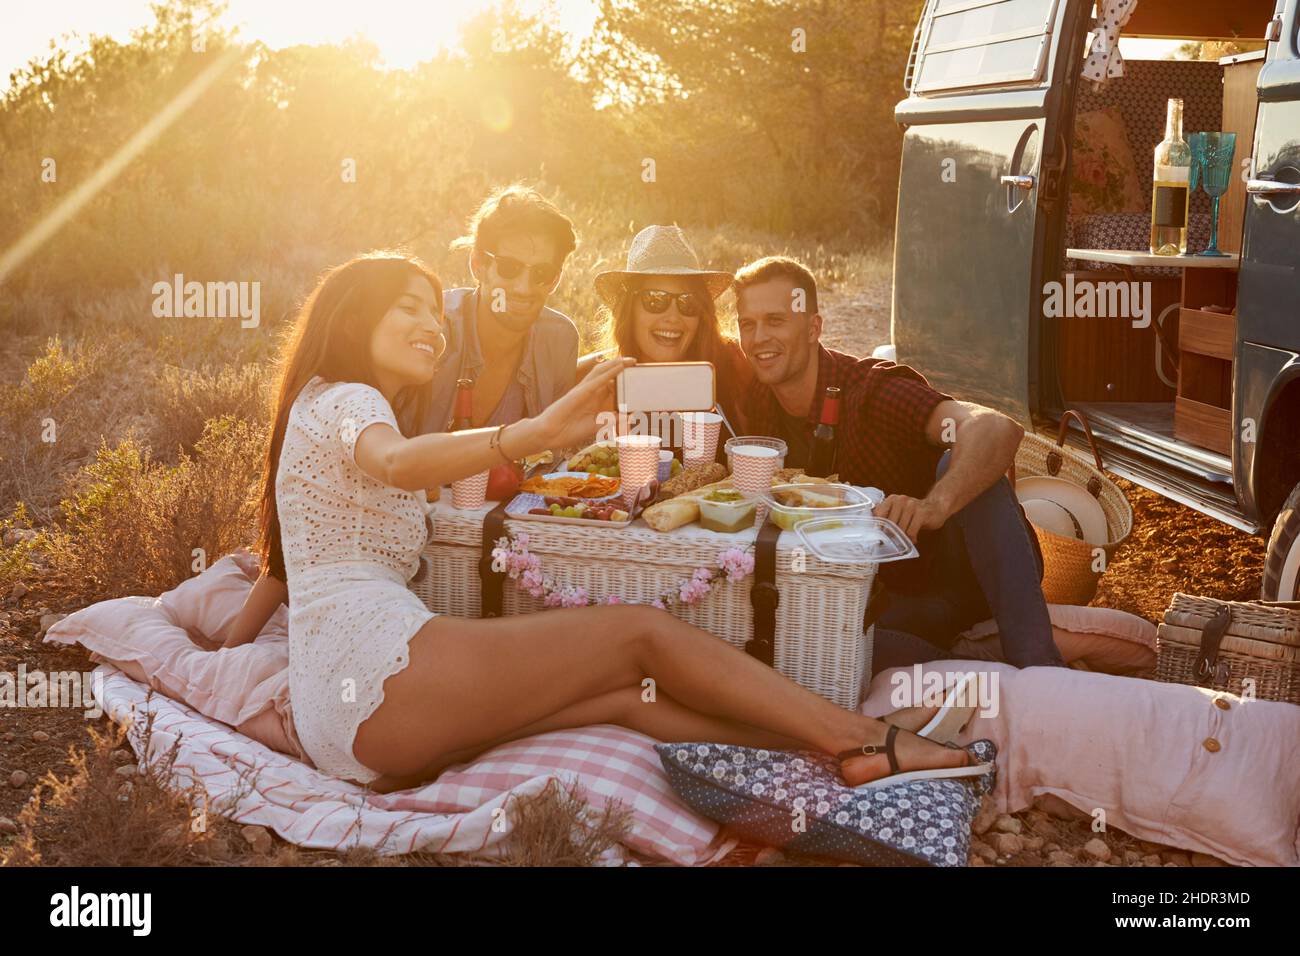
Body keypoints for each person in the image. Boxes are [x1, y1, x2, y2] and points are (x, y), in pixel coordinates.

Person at [218, 250, 987, 795]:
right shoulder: (351, 399)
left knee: (632, 698)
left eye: (434, 310)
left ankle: (849, 752)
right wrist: (535, 433)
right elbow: (392, 464)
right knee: (640, 634)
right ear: (356, 317)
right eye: (410, 309)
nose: (433, 325)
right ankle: (871, 735)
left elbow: (300, 541)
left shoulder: (327, 403)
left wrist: (223, 641)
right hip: (373, 682)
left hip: (364, 730)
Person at [732, 255, 1065, 670]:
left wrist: (933, 506)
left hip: (963, 581)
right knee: (821, 651)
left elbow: (997, 428)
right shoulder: (756, 401)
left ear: (813, 328)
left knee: (956, 464)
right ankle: (968, 662)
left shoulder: (873, 392)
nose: (759, 337)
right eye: (748, 324)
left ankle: (1037, 664)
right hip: (887, 599)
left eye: (776, 320)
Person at [421, 185, 581, 434]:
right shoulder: (434, 327)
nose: (523, 288)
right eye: (509, 267)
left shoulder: (560, 339)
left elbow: (552, 454)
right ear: (478, 265)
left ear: (555, 280)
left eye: (542, 273)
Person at [587, 224, 755, 439]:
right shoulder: (607, 385)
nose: (673, 317)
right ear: (629, 310)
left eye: (688, 303)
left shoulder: (731, 362)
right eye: (655, 300)